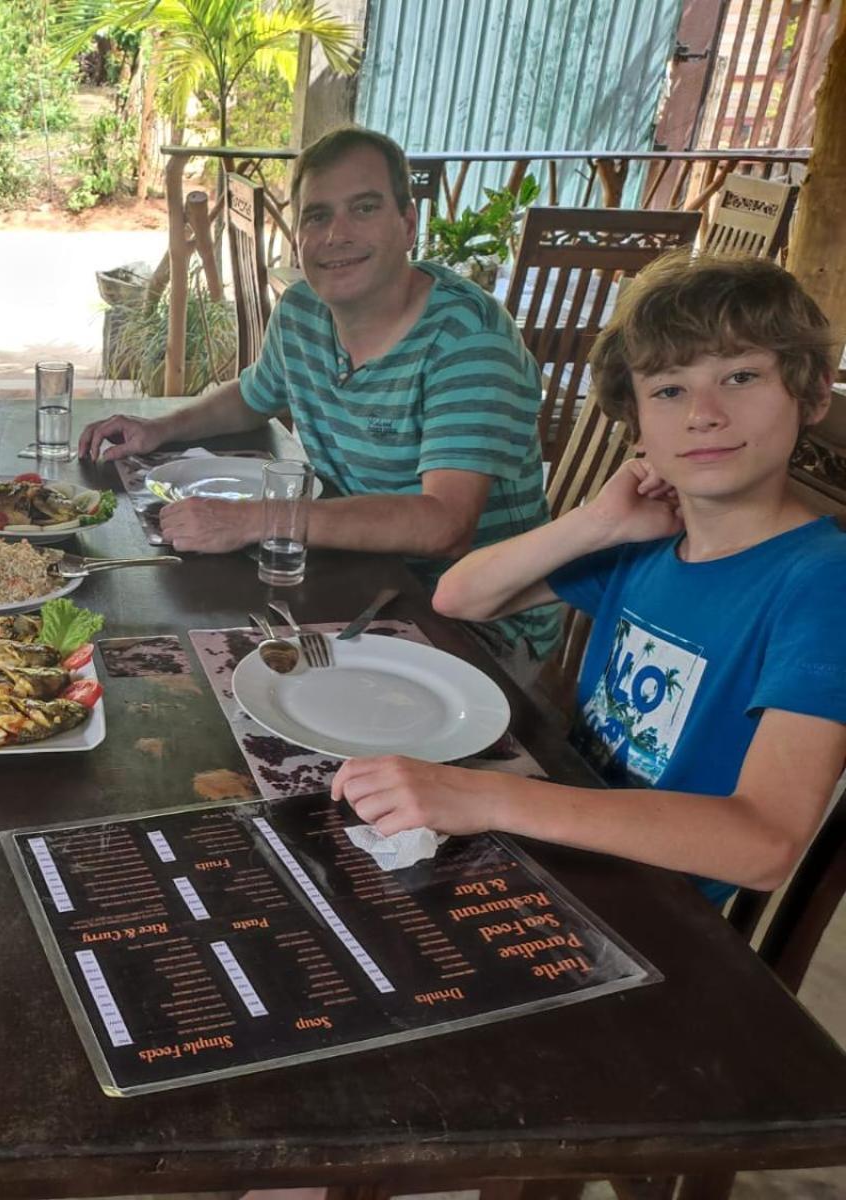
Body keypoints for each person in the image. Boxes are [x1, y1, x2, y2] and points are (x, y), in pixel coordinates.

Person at [333, 252, 846, 903]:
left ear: (813, 394)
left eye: (741, 376)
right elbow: (460, 596)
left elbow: (765, 845)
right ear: (635, 427)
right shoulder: (650, 541)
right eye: (668, 390)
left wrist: (487, 798)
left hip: (653, 911)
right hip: (568, 850)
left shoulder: (823, 584)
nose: (703, 413)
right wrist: (598, 522)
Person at [79, 126, 558, 664]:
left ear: (407, 224)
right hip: (359, 582)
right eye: (317, 215)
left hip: (478, 625)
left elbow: (443, 523)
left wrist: (257, 519)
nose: (337, 235)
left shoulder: (467, 339)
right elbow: (252, 397)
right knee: (157, 651)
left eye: (364, 208)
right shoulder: (304, 310)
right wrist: (159, 429)